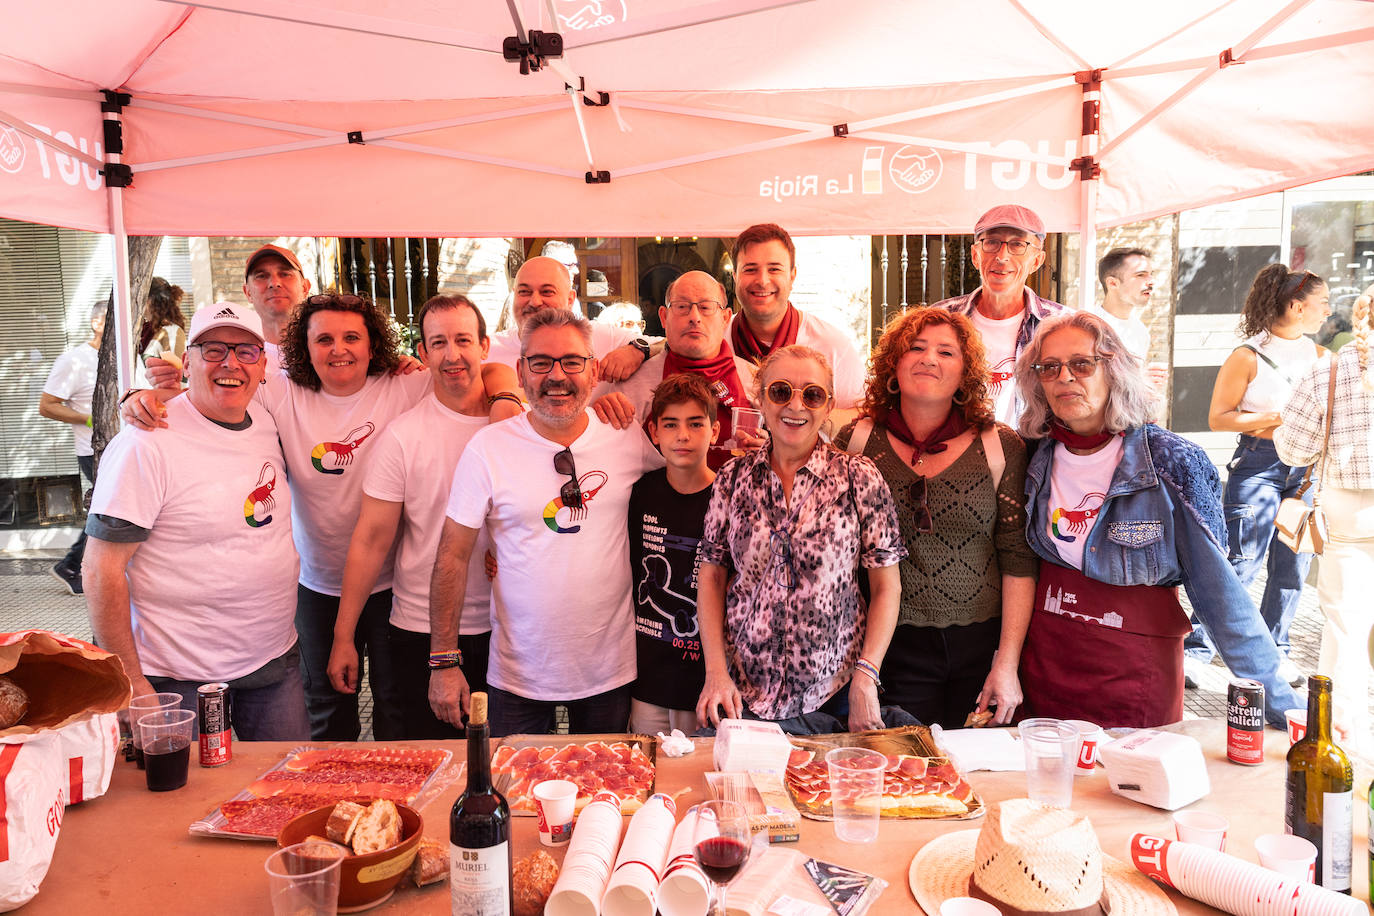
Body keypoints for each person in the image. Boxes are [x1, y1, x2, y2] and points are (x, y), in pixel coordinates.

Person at [1015, 312, 1303, 728]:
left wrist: (1286, 708)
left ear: (1114, 368)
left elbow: (1220, 596)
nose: (1065, 378)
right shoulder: (1030, 455)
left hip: (1135, 676)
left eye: (1081, 364)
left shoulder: (1172, 461)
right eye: (1049, 367)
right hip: (1045, 668)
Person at [429, 309, 664, 737]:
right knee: (515, 795)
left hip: (608, 670)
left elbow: (684, 481)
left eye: (572, 362)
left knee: (604, 797)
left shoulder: (625, 434)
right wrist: (444, 660)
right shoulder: (488, 448)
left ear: (594, 371)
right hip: (519, 674)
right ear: (520, 371)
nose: (557, 376)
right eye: (541, 362)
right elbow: (452, 555)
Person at [84, 303, 307, 737]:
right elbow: (99, 570)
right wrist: (130, 681)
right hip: (177, 679)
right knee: (187, 803)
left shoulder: (265, 420)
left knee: (289, 792)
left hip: (273, 663)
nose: (230, 363)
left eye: (245, 351)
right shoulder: (146, 444)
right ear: (187, 362)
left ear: (263, 366)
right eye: (213, 349)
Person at [835, 308, 1037, 728]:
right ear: (893, 364)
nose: (929, 358)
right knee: (905, 775)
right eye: (916, 347)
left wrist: (1007, 662)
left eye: (947, 352)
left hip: (982, 645)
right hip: (889, 646)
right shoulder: (854, 442)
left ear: (965, 373)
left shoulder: (1002, 447)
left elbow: (1017, 558)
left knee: (980, 774)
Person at [695, 345, 907, 734]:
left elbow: (887, 586)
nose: (796, 405)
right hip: (743, 692)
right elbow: (711, 576)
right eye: (780, 391)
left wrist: (866, 676)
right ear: (760, 399)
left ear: (828, 407)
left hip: (835, 693)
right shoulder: (731, 479)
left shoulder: (859, 477)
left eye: (812, 394)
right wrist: (715, 673)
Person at [326, 295, 497, 739]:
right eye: (438, 343)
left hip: (508, 628)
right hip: (422, 630)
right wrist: (345, 636)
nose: (452, 354)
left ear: (485, 346)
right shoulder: (403, 436)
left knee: (502, 768)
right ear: (422, 354)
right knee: (422, 770)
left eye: (463, 340)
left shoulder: (518, 425)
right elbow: (370, 541)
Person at [1187, 265, 1329, 689]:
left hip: (1306, 470)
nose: (1326, 313)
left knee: (1292, 567)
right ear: (1296, 306)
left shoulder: (1323, 358)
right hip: (1259, 464)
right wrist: (1282, 418)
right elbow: (1219, 417)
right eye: (1321, 305)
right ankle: (1197, 650)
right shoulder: (1247, 355)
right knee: (1240, 562)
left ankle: (1276, 652)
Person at [1276, 282, 1374, 758]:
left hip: (1350, 509)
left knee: (1345, 625)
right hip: (1350, 508)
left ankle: (1341, 737)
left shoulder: (1329, 370)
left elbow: (1292, 449)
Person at [628, 373, 719, 735]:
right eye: (671, 424)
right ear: (654, 431)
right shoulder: (638, 492)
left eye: (696, 424)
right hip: (646, 680)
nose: (683, 435)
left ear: (714, 431)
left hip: (706, 684)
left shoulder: (730, 497)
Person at [593, 270, 757, 468]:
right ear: (663, 317)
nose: (695, 317)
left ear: (725, 317)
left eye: (706, 307)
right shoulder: (633, 385)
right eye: (682, 307)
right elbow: (614, 460)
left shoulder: (755, 380)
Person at [934, 204, 1067, 425]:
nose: (1002, 256)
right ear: (976, 255)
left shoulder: (1061, 325)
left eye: (1017, 244)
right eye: (992, 243)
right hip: (953, 452)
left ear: (1036, 261)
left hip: (1032, 455)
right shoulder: (941, 318)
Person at [729, 224, 866, 413]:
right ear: (735, 276)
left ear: (792, 276)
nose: (762, 280)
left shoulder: (833, 347)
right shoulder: (716, 341)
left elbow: (859, 423)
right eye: (750, 269)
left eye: (774, 269)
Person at [485, 256, 658, 383]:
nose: (535, 301)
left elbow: (668, 344)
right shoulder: (488, 352)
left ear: (570, 299)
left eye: (547, 292)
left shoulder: (600, 336)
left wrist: (637, 350)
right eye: (524, 292)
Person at [39, 303, 103, 596]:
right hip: (94, 450)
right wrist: (90, 418)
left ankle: (76, 565)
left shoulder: (128, 356)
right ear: (98, 323)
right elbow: (47, 406)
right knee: (109, 510)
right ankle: (70, 565)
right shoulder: (74, 360)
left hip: (126, 447)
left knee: (112, 510)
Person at [1089, 248, 1168, 388]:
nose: (1151, 282)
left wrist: (1147, 384)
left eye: (1151, 274)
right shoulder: (1088, 327)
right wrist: (1140, 380)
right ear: (1112, 283)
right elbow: (1084, 382)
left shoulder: (1141, 332)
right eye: (1141, 275)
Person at [138, 277, 187, 364]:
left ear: (150, 300)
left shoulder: (171, 332)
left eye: (140, 297)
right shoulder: (144, 330)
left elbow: (177, 372)